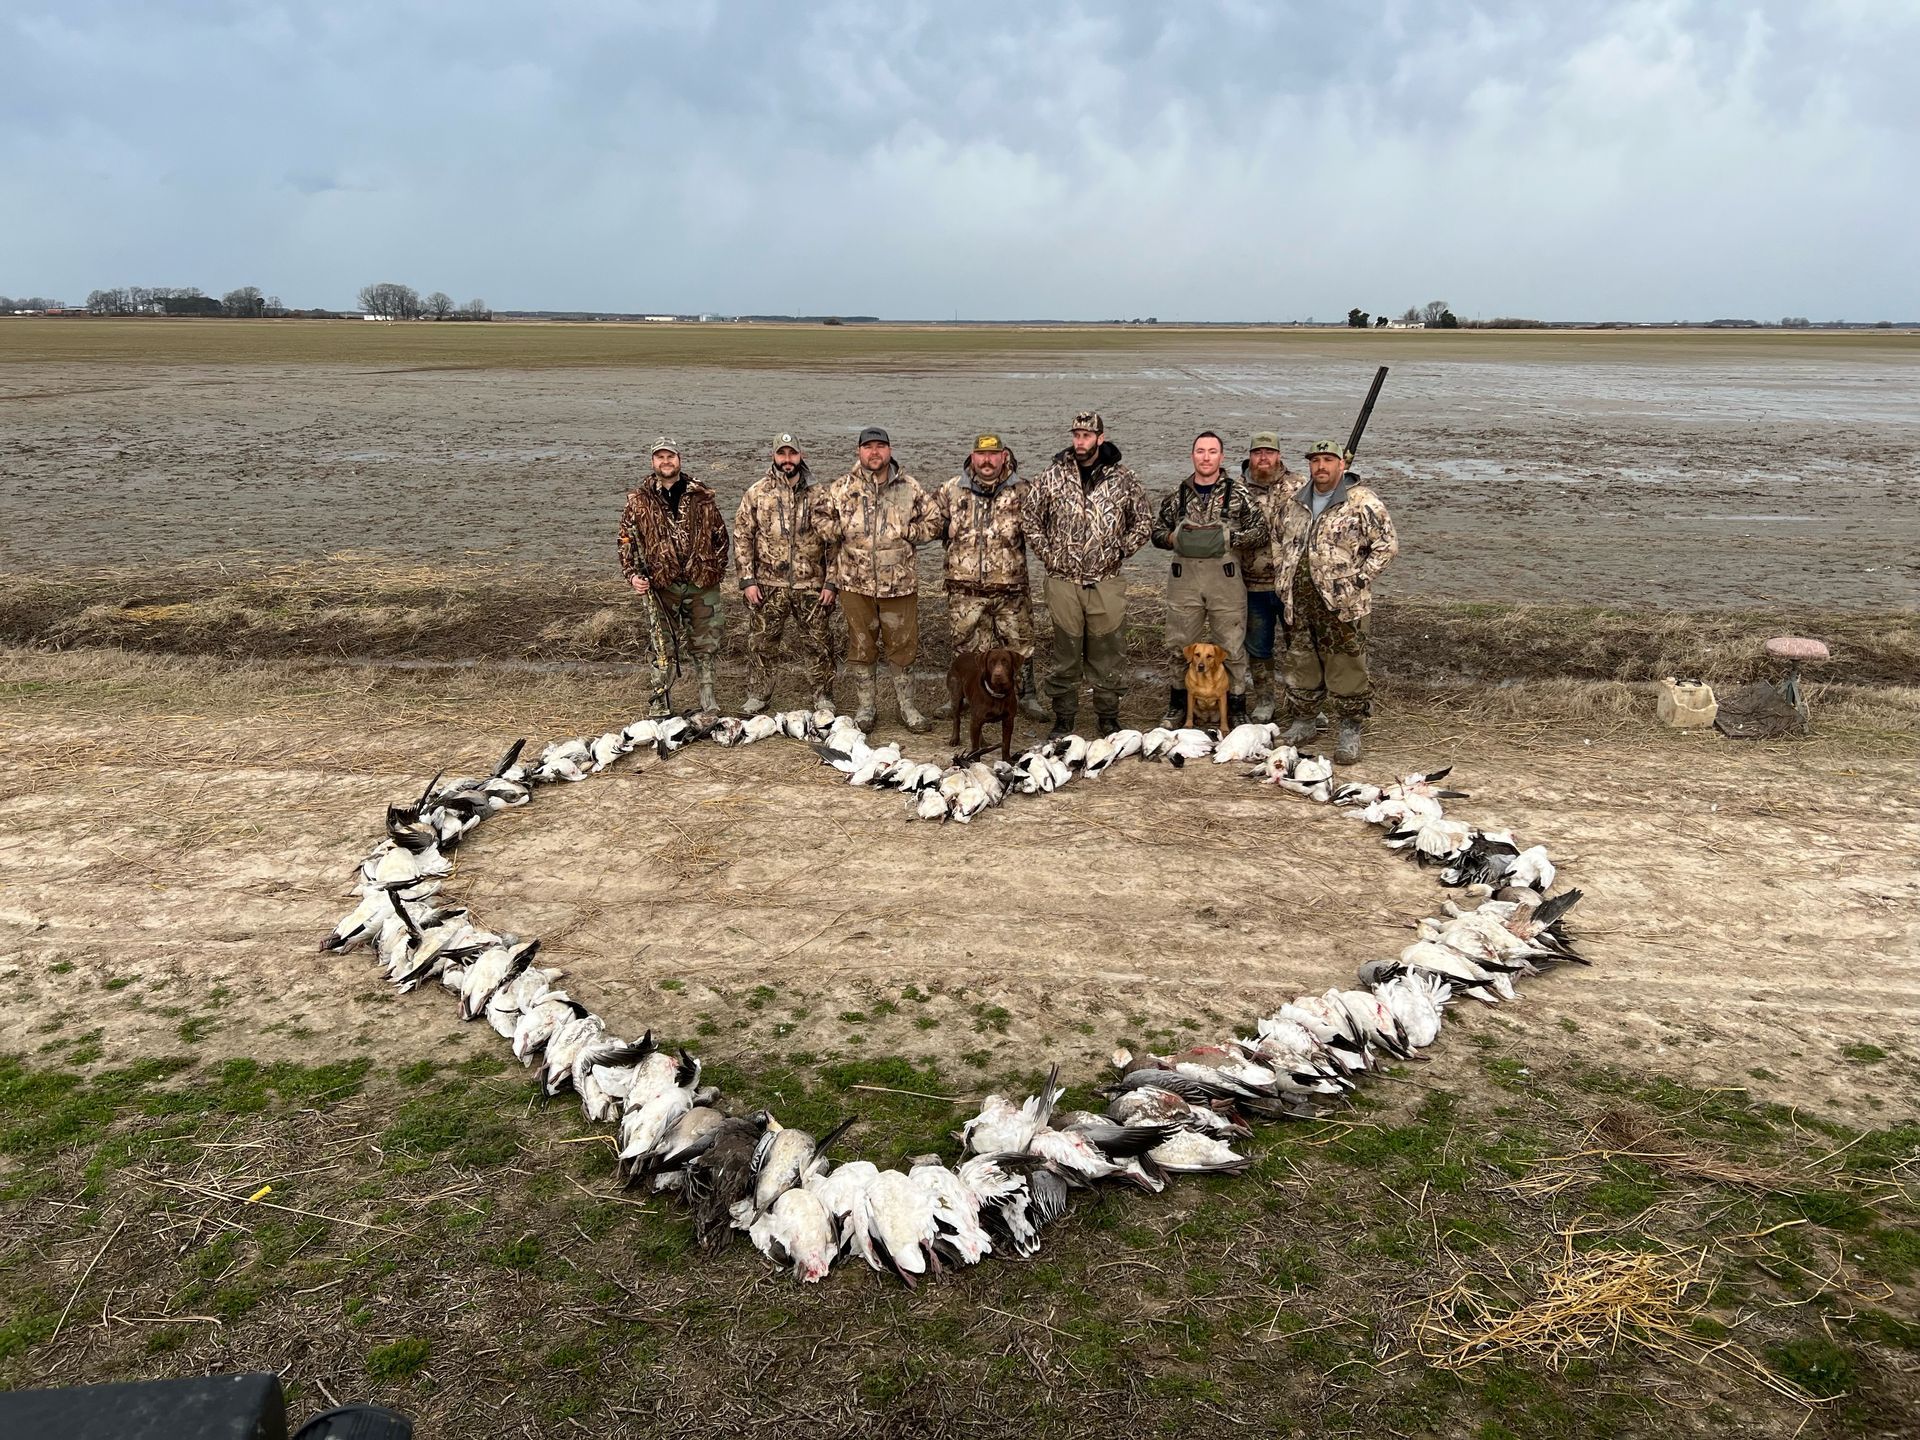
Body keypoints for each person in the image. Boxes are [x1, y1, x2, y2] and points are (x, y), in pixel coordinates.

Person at [1024, 411, 1152, 738]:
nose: (1080, 441)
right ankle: (1064, 717)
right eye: (1076, 435)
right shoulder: (1052, 476)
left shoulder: (1123, 478)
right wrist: (1049, 554)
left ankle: (1108, 716)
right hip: (1062, 581)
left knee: (1109, 651)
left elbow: (1144, 520)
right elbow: (1030, 519)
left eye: (1086, 435)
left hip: (1106, 582)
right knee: (1065, 652)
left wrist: (1121, 549)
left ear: (1100, 437)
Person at [1273, 439, 1400, 763]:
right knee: (1301, 664)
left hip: (1342, 606)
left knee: (1347, 667)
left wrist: (1358, 580)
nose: (1321, 467)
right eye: (1315, 461)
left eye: (1328, 460)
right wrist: (1283, 578)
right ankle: (1304, 720)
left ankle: (1350, 728)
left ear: (1341, 465)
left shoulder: (1361, 501)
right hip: (1299, 604)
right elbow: (1278, 538)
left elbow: (1387, 545)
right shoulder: (1295, 502)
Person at [815, 426, 939, 733]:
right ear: (859, 451)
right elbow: (819, 517)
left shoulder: (909, 487)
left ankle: (907, 708)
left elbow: (934, 520)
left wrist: (911, 533)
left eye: (880, 446)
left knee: (903, 648)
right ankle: (866, 708)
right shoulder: (843, 487)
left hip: (899, 585)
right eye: (868, 446)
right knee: (861, 647)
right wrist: (836, 531)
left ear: (890, 450)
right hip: (854, 585)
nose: (874, 452)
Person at [923, 433, 1050, 723]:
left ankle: (1026, 696)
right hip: (965, 589)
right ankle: (965, 697)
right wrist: (945, 528)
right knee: (967, 648)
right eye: (981, 454)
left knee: (1020, 645)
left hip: (1011, 588)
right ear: (973, 456)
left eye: (993, 454)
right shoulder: (951, 490)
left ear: (1003, 456)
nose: (987, 460)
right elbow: (925, 523)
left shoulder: (1023, 491)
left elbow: (1044, 529)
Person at [1151, 431, 1270, 728]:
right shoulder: (1176, 495)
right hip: (1184, 579)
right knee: (1179, 644)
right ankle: (1178, 705)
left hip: (1225, 578)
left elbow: (1262, 531)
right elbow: (1155, 533)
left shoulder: (1239, 493)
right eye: (1200, 451)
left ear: (1222, 457)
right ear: (1192, 455)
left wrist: (1229, 538)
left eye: (1212, 451)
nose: (1206, 457)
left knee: (1231, 645)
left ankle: (1236, 705)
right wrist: (1172, 538)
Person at [617, 437, 730, 717]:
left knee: (706, 644)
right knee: (661, 646)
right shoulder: (639, 500)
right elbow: (625, 540)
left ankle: (708, 697)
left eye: (670, 456)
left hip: (701, 583)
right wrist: (632, 575)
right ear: (653, 462)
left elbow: (721, 537)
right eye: (660, 457)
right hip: (661, 585)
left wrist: (714, 570)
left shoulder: (701, 495)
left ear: (679, 459)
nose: (665, 462)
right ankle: (661, 700)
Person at [733, 433, 837, 716]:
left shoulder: (820, 494)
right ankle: (759, 694)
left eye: (792, 454)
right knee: (762, 644)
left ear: (800, 456)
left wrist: (831, 582)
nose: (787, 459)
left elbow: (834, 542)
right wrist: (748, 580)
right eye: (782, 454)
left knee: (819, 644)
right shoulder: (757, 492)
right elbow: (743, 536)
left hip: (811, 584)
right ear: (774, 456)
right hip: (768, 584)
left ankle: (823, 696)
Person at [1237, 431, 1299, 722]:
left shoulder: (1299, 486)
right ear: (1250, 456)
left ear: (1279, 455)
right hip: (1252, 585)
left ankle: (1305, 702)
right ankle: (1265, 700)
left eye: (1269, 452)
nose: (1264, 458)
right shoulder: (1235, 489)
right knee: (1258, 648)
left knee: (1299, 648)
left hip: (1291, 585)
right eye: (1258, 452)